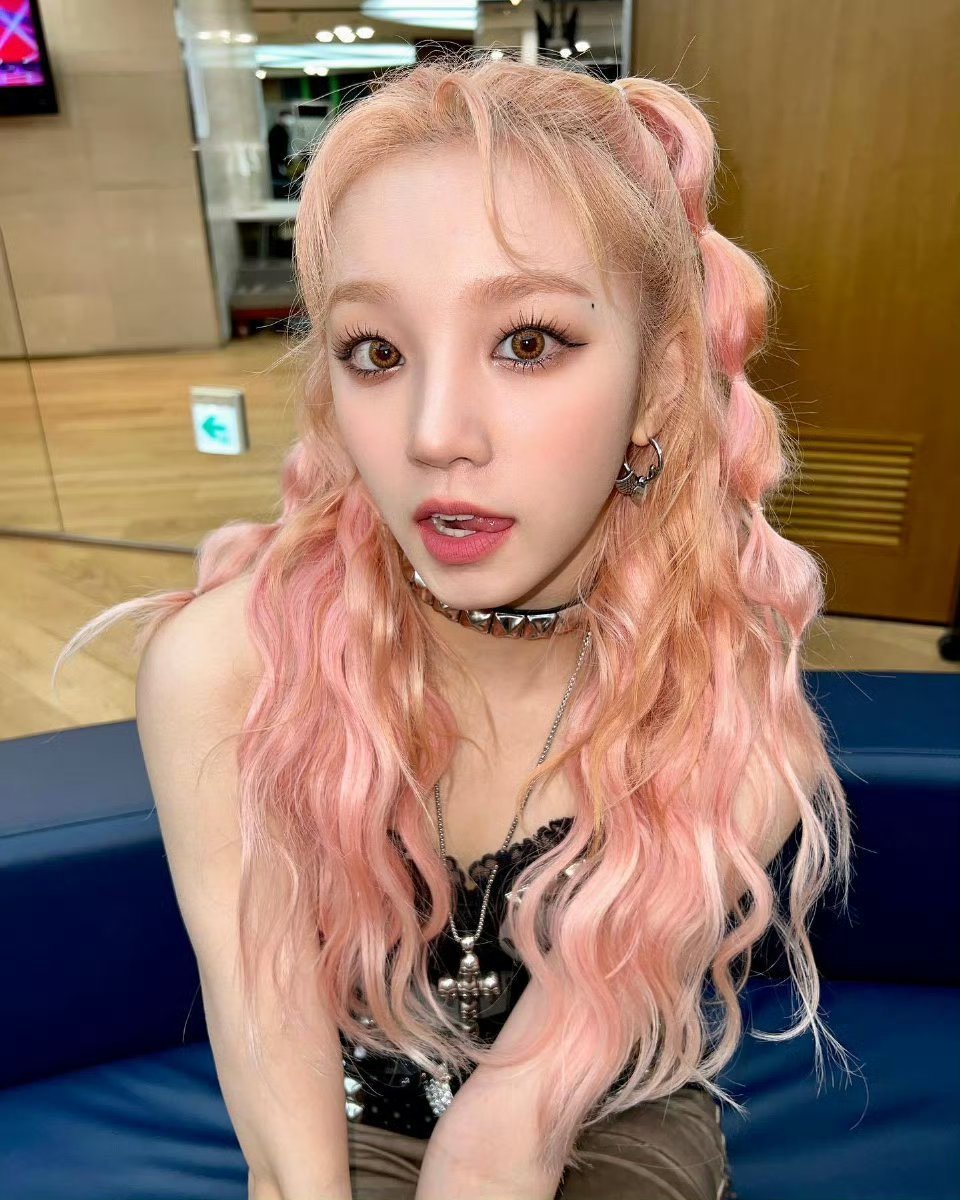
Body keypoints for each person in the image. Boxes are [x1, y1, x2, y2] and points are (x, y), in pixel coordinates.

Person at [55, 50, 854, 1200]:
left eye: (527, 342)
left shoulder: (730, 713)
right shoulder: (226, 669)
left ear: (660, 380)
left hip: (604, 1099)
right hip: (357, 1107)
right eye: (375, 352)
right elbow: (281, 1125)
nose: (434, 434)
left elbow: (502, 1142)